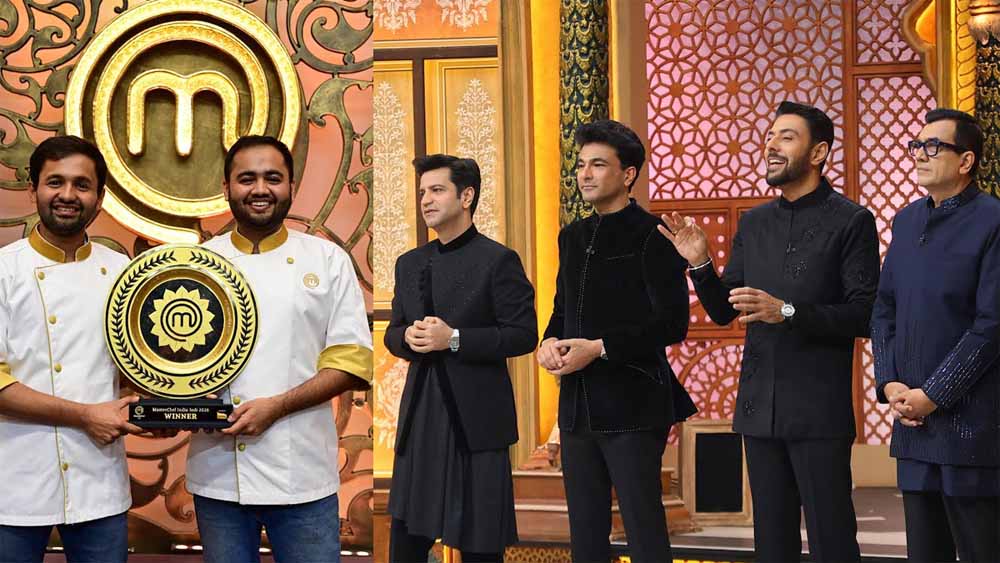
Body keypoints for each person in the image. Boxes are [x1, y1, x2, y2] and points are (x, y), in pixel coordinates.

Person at [659, 101, 879, 562]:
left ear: (818, 153)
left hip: (818, 412)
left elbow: (863, 314)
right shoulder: (755, 222)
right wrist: (700, 263)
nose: (771, 145)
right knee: (772, 545)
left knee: (833, 541)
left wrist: (788, 311)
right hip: (759, 410)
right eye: (770, 136)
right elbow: (725, 310)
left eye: (786, 137)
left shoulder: (852, 220)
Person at [189, 135, 373, 562]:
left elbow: (351, 362)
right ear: (226, 188)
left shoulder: (327, 260)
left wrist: (277, 406)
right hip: (218, 475)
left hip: (301, 474)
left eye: (273, 178)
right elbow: (174, 360)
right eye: (247, 179)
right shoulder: (197, 263)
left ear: (291, 185)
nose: (260, 189)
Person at [538, 119, 693, 563]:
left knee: (644, 531)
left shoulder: (654, 235)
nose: (584, 174)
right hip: (577, 407)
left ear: (628, 174)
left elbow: (672, 324)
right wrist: (549, 341)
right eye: (581, 165)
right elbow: (562, 309)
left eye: (598, 165)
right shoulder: (572, 236)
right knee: (585, 537)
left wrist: (598, 348)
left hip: (634, 406)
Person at [385, 154, 537, 563]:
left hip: (477, 423)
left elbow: (523, 335)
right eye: (422, 192)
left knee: (480, 548)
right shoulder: (409, 263)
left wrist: (452, 339)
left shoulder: (498, 260)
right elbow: (393, 333)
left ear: (466, 196)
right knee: (405, 548)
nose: (426, 200)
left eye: (437, 190)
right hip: (422, 418)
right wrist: (408, 338)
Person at [0, 135, 139, 562]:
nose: (67, 195)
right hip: (15, 481)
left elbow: (137, 368)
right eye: (55, 182)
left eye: (82, 185)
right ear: (33, 190)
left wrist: (157, 409)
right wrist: (84, 415)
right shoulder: (5, 271)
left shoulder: (124, 273)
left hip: (99, 482)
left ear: (100, 198)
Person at [872, 108, 999, 562]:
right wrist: (890, 383)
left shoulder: (993, 220)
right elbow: (884, 308)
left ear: (966, 161)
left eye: (932, 146)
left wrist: (935, 394)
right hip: (913, 422)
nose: (919, 155)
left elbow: (991, 324)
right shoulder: (906, 221)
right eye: (916, 146)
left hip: (972, 426)